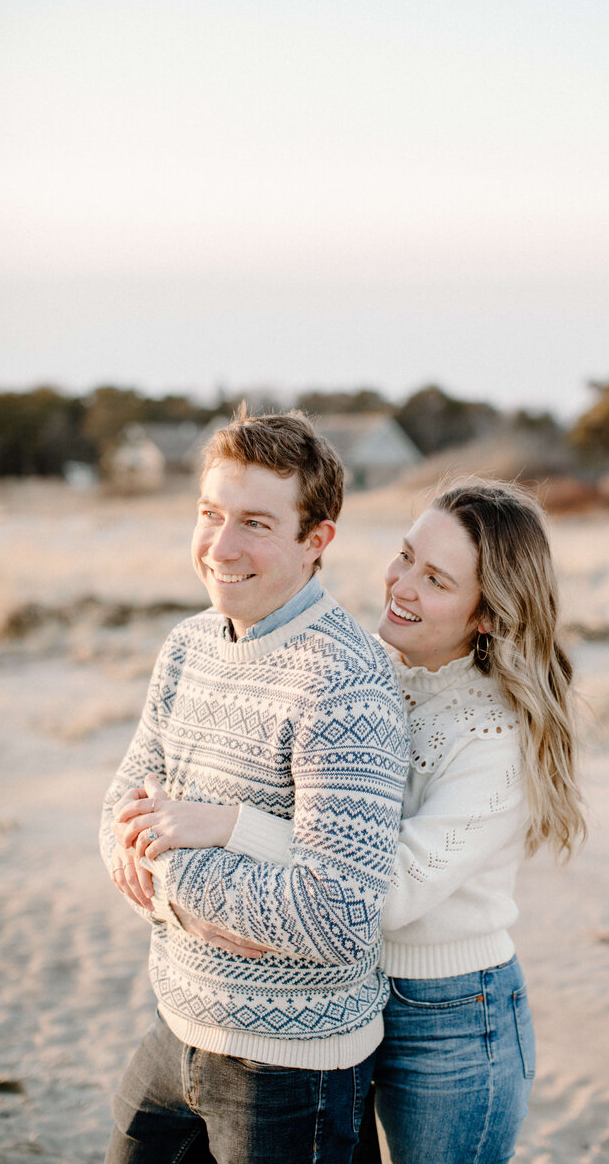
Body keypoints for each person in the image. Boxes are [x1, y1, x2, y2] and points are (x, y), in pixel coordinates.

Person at [115, 478, 587, 1164]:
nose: (400, 583)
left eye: (435, 579)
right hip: (347, 995)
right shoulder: (369, 671)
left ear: (487, 614)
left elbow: (379, 892)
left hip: (452, 1017)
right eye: (405, 556)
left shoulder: (494, 739)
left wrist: (229, 825)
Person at [99, 409, 410, 1164]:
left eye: (255, 524)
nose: (221, 546)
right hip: (178, 1024)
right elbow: (119, 813)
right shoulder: (188, 645)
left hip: (291, 1069)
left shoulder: (346, 684)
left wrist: (170, 878)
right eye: (211, 514)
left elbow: (338, 916)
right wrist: (183, 888)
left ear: (316, 541)